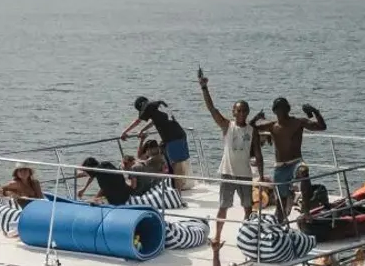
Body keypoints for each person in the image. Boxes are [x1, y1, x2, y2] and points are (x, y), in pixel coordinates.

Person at [196, 72, 264, 226]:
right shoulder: (227, 126)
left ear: (248, 112)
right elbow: (212, 109)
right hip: (227, 173)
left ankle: (248, 234)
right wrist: (204, 87)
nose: (241, 113)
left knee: (248, 208)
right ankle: (217, 236)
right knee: (223, 207)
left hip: (245, 174)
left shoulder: (252, 131)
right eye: (238, 110)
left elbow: (258, 156)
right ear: (233, 111)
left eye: (244, 110)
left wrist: (260, 178)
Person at [254, 98, 328, 217]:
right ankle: (280, 223)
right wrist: (256, 118)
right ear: (274, 111)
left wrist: (315, 112)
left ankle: (306, 207)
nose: (281, 112)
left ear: (288, 109)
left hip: (296, 162)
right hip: (280, 167)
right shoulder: (272, 125)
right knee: (281, 206)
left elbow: (321, 126)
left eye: (284, 108)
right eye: (278, 109)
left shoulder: (298, 122)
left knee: (303, 171)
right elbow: (251, 128)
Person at [121, 95, 191, 185]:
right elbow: (154, 121)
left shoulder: (148, 106)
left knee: (176, 164)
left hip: (173, 138)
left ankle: (178, 191)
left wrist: (125, 131)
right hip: (179, 135)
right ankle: (178, 186)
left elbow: (137, 121)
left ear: (141, 105)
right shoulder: (157, 105)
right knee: (177, 163)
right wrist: (143, 130)